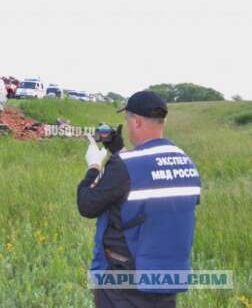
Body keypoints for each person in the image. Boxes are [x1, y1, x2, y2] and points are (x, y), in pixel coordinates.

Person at [77, 91, 201, 308]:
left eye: (127, 120)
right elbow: (148, 181)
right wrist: (118, 150)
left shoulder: (125, 166)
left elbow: (87, 205)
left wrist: (94, 166)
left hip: (124, 281)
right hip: (166, 278)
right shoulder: (187, 163)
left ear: (135, 121)